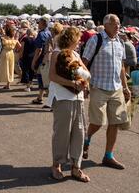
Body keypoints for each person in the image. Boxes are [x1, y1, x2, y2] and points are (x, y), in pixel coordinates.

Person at [81, 14, 132, 170]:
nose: (118, 26)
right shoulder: (96, 40)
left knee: (115, 122)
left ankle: (108, 156)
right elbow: (84, 63)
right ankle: (86, 138)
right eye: (114, 24)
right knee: (97, 122)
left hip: (116, 88)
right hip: (98, 86)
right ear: (106, 24)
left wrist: (125, 87)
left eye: (118, 24)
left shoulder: (120, 42)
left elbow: (121, 67)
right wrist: (84, 83)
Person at [48, 27, 90, 183]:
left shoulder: (76, 55)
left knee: (79, 132)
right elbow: (52, 76)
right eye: (78, 39)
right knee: (62, 133)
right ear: (71, 39)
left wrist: (83, 82)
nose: (79, 42)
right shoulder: (57, 53)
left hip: (77, 98)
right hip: (62, 97)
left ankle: (76, 166)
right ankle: (57, 164)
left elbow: (86, 73)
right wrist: (72, 82)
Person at [0, 24, 20, 90]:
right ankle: (8, 84)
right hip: (11, 53)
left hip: (3, 53)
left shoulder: (3, 37)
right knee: (10, 68)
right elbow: (19, 46)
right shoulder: (14, 38)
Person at [31, 18, 52, 103]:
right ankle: (40, 97)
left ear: (42, 24)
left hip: (41, 58)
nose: (38, 24)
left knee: (42, 78)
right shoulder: (49, 33)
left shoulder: (41, 34)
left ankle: (52, 101)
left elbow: (38, 49)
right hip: (47, 58)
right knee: (41, 77)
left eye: (39, 23)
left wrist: (34, 61)